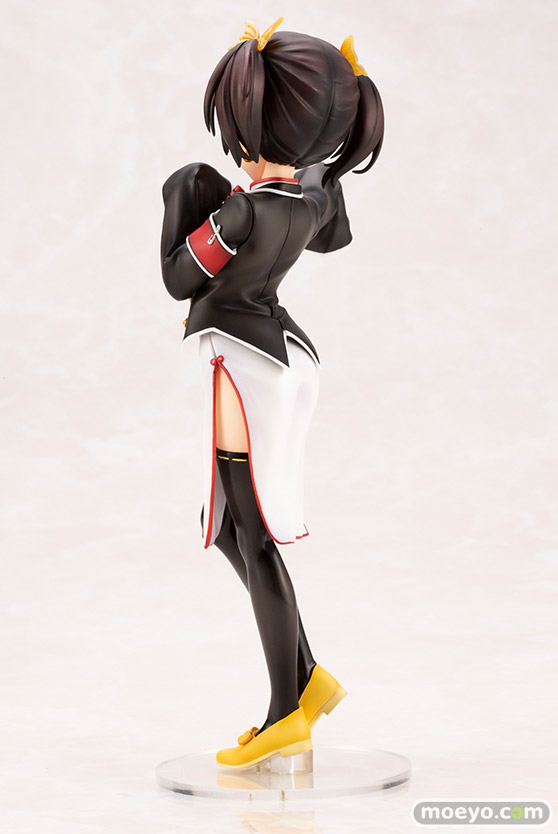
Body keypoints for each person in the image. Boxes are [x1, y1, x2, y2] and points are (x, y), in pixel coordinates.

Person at [160, 18, 384, 770]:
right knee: (230, 524)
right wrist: (323, 170)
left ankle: (286, 710)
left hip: (242, 361)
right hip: (279, 354)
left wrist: (181, 196)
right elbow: (332, 228)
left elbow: (178, 278)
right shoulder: (306, 205)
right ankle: (309, 677)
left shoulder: (243, 211)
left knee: (250, 532)